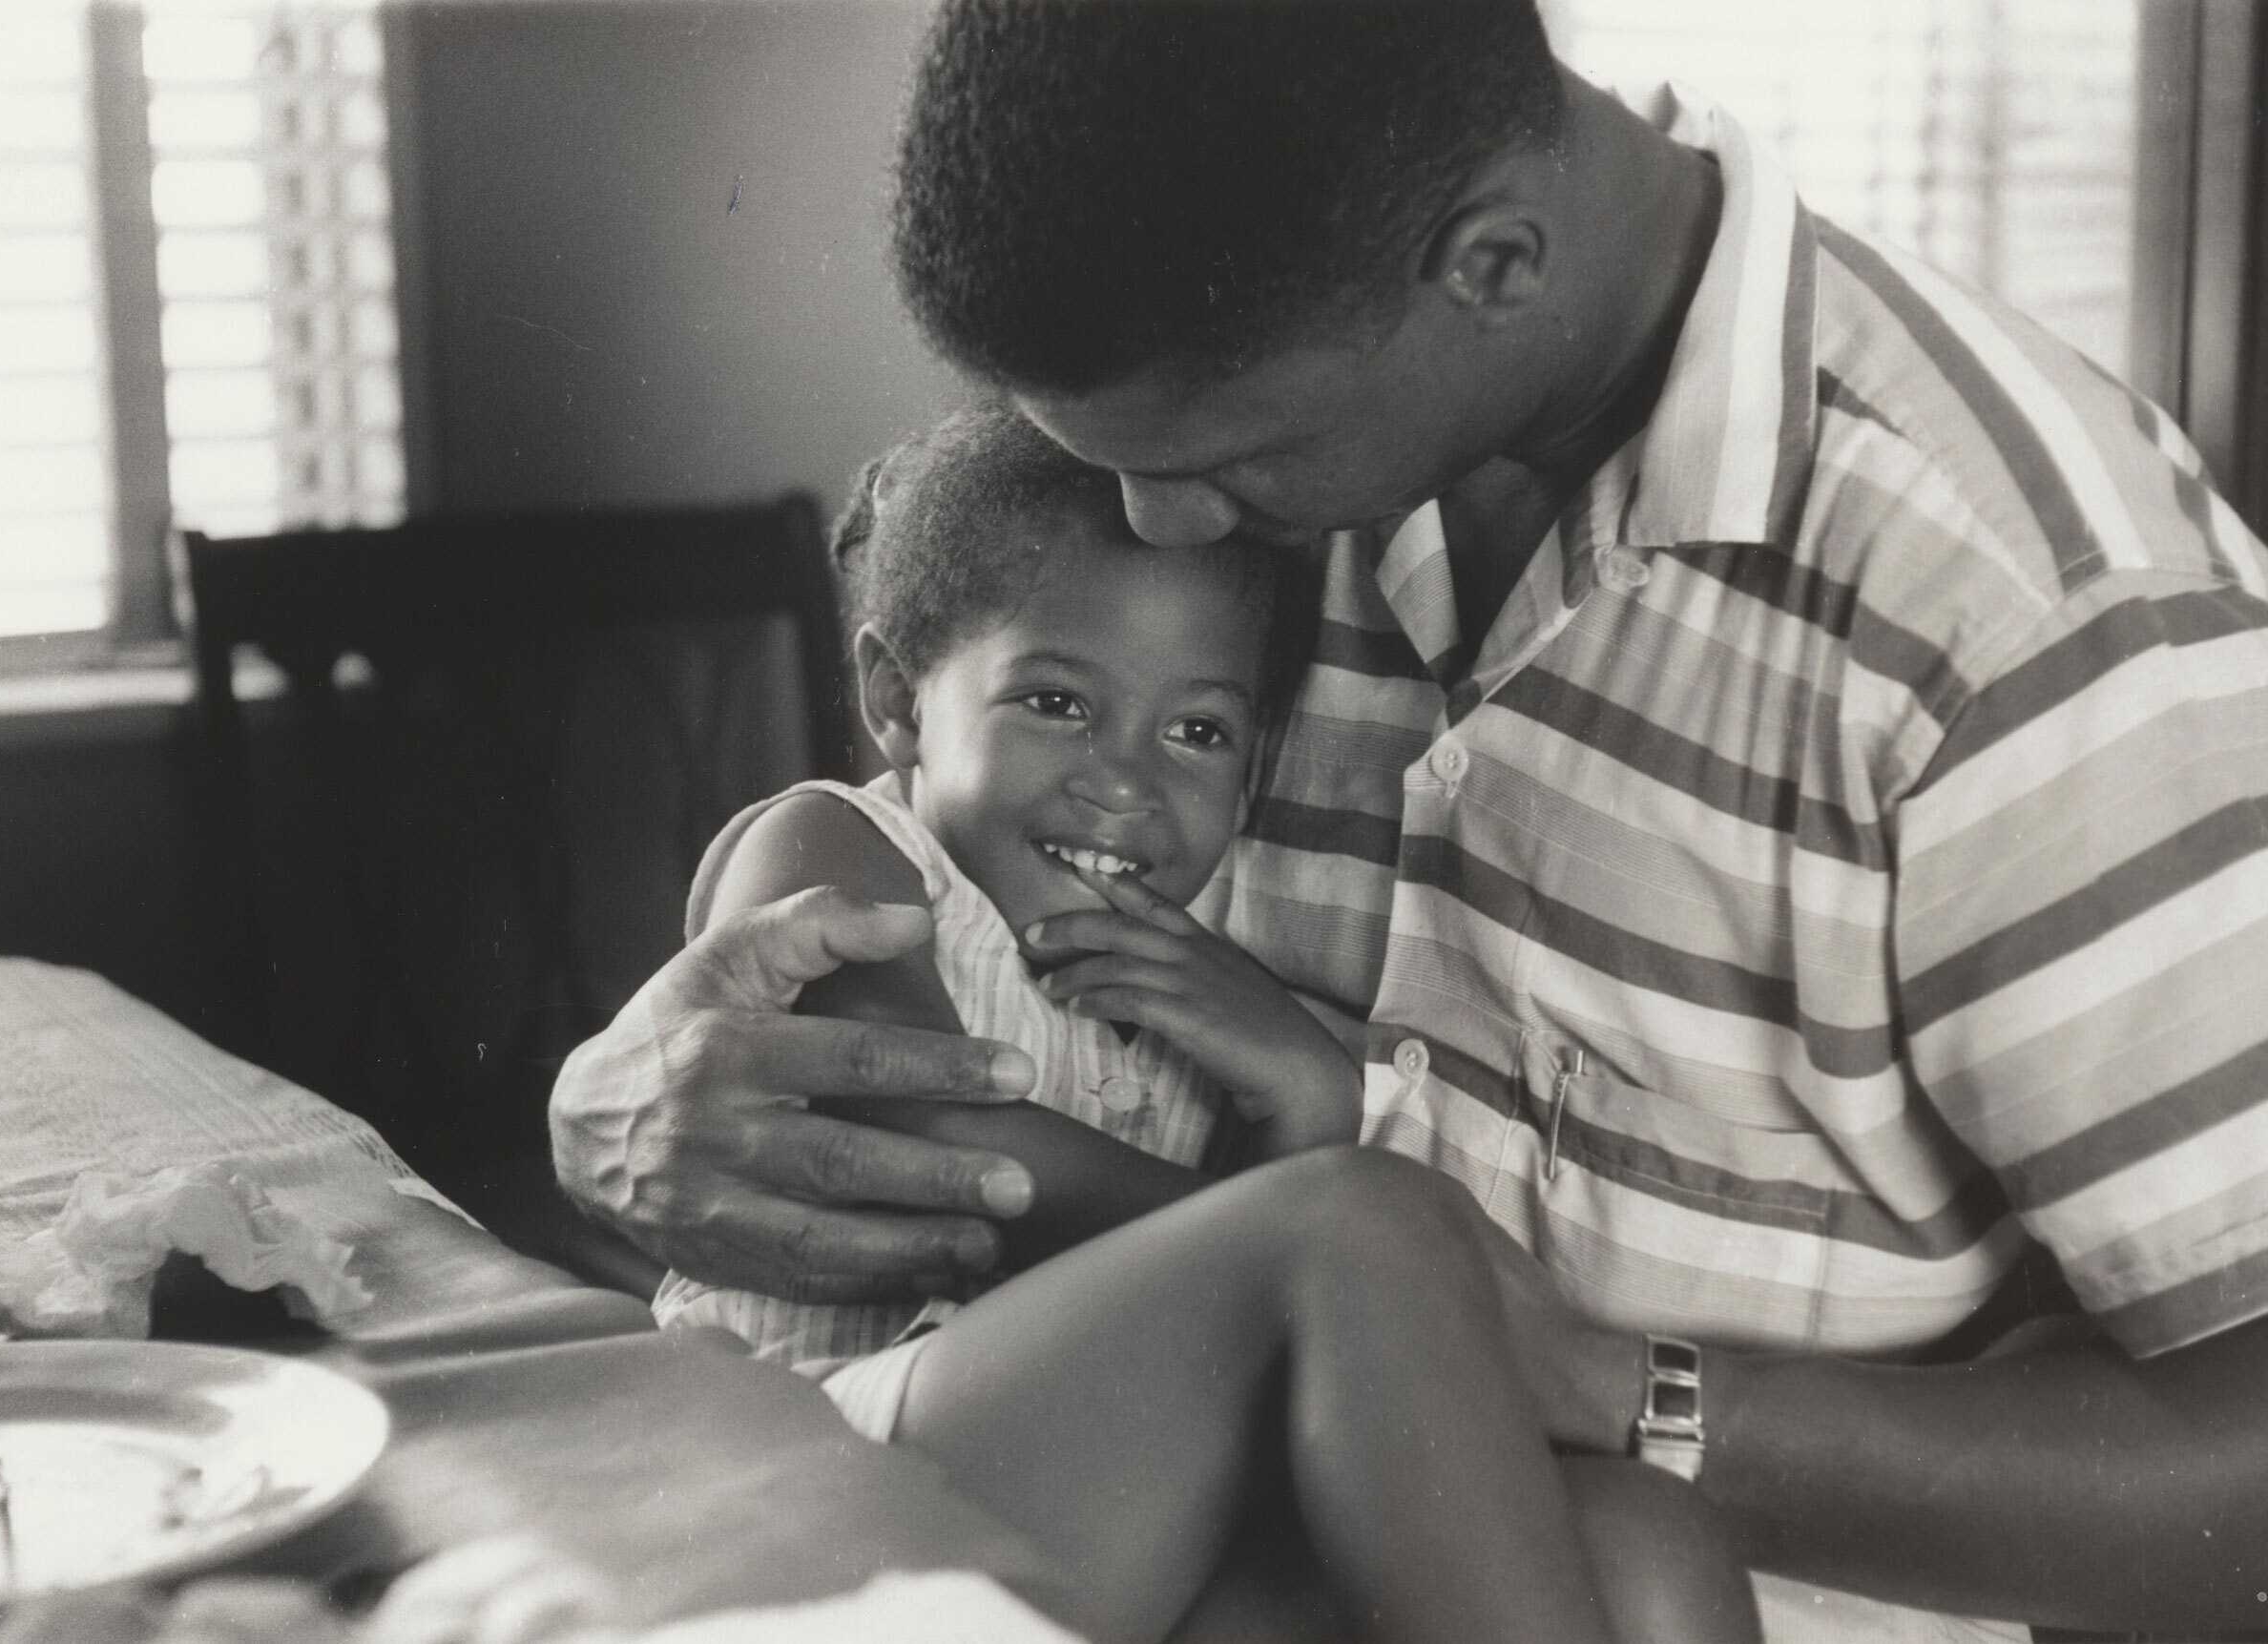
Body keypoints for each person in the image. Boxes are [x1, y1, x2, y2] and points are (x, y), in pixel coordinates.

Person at [551, 3, 2268, 1639]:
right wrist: (625, 1098)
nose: (1159, 524)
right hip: (1164, 1532)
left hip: (1662, 1587)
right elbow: (889, 889)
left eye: (1229, 461)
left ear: (1495, 267)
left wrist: (1618, 1389)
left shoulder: (2031, 612)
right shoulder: (1256, 389)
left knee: (1647, 1553)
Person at [647, 401, 1759, 1644]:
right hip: (819, 1474)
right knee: (1370, 1222)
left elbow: (1257, 1347)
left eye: (1198, 732)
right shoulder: (842, 844)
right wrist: (1321, 1202)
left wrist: (1298, 1098)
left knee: (1646, 1546)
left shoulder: (1192, 988)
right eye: (1057, 703)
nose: (1125, 780)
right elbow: (939, 1152)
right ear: (899, 702)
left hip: (1099, 1514)